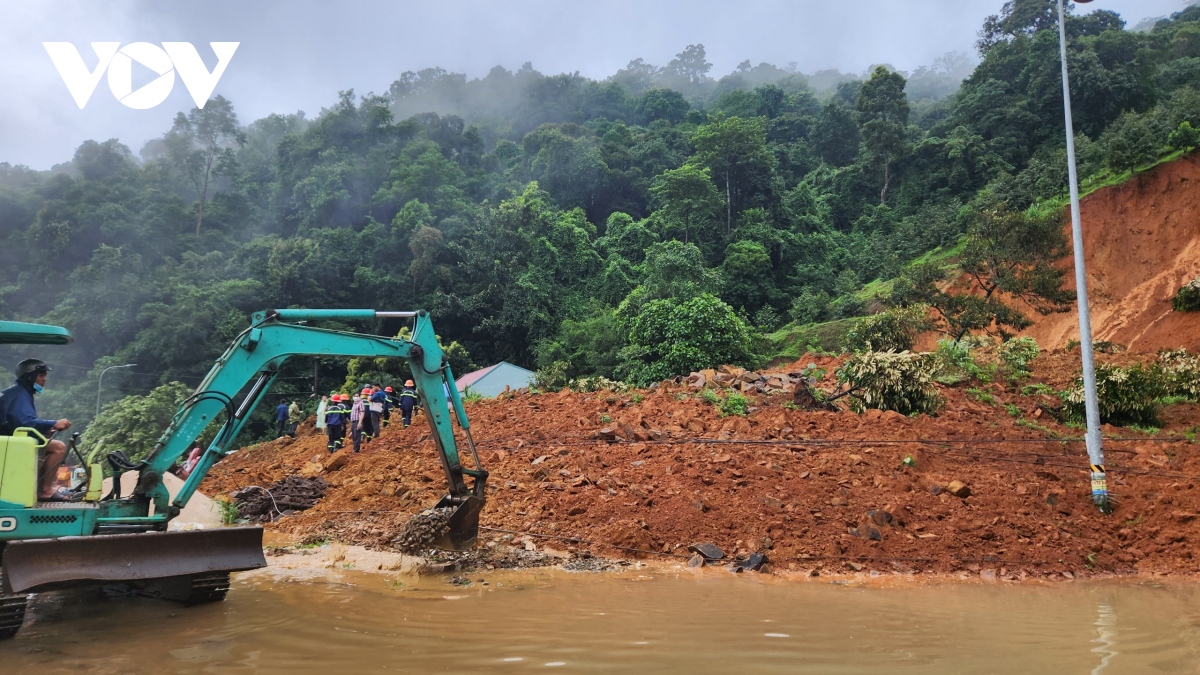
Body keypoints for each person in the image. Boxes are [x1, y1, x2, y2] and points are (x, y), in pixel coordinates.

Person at [0, 359, 72, 501]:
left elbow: (17, 422)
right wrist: (54, 423)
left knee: (45, 446)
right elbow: (24, 422)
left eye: (45, 375)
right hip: (9, 442)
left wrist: (45, 430)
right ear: (28, 376)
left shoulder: (18, 392)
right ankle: (45, 490)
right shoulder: (20, 394)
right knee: (59, 448)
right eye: (40, 375)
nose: (44, 379)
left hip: (10, 439)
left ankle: (36, 487)